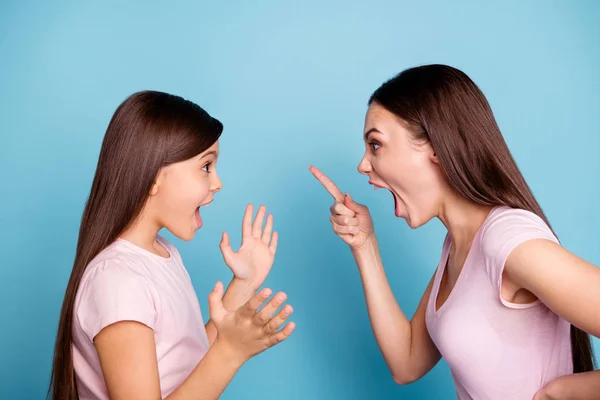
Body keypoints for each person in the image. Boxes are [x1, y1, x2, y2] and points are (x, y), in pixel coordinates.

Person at [309, 64, 599, 399]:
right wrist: (365, 246)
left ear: (434, 145)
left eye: (375, 145)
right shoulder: (460, 247)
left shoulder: (507, 240)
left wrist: (561, 393)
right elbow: (407, 362)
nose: (362, 164)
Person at [48, 90, 295, 400]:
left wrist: (244, 284)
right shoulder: (117, 281)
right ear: (154, 177)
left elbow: (185, 361)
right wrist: (230, 353)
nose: (217, 182)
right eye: (206, 166)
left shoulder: (162, 254)